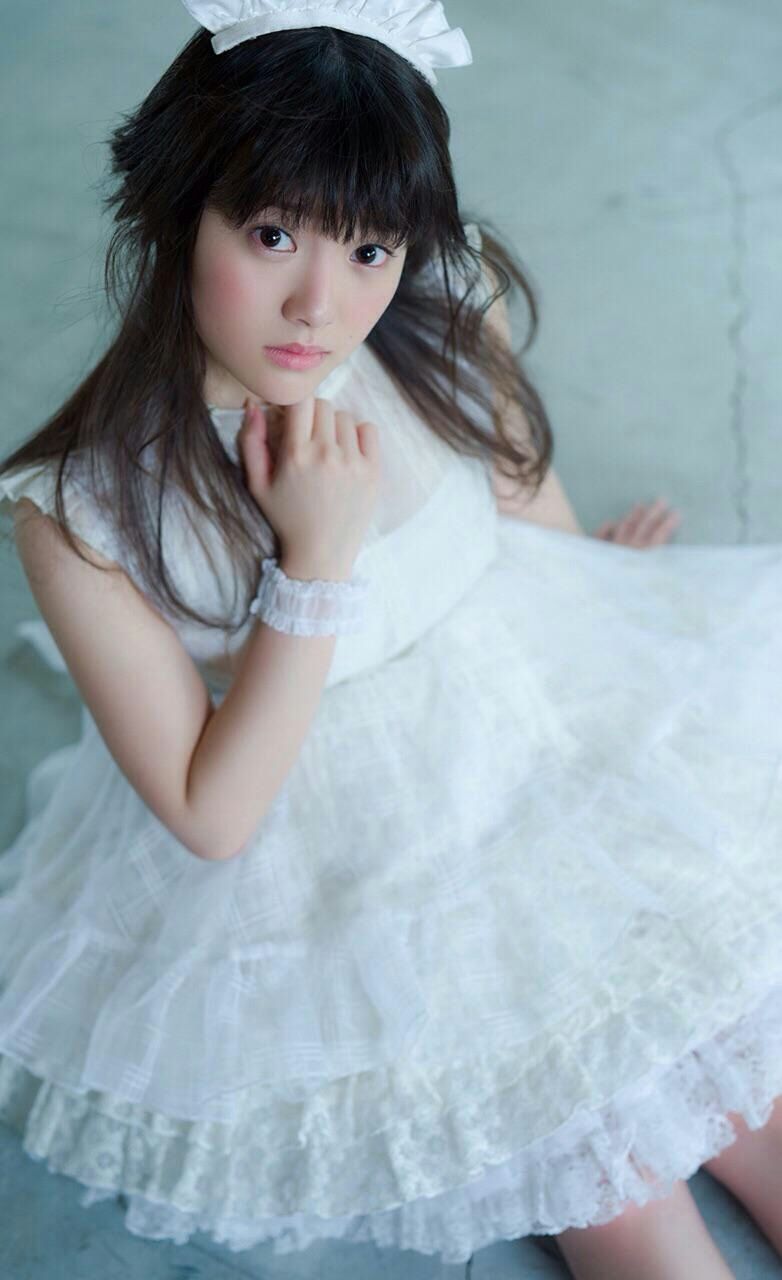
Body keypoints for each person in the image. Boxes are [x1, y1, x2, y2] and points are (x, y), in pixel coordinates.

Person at [0, 4, 780, 1277]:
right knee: (617, 1183)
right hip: (345, 837)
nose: (321, 304)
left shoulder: (437, 317)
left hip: (531, 713)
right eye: (270, 234)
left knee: (744, 1077)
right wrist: (315, 558)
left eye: (368, 247)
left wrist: (605, 596)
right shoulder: (83, 510)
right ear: (176, 206)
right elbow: (212, 814)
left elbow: (520, 500)